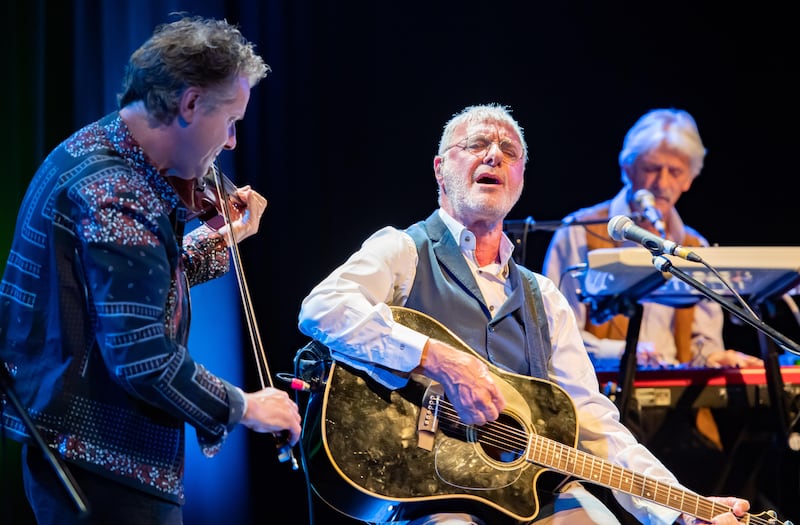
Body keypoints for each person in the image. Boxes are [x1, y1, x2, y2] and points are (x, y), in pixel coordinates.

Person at [297, 104, 751, 524]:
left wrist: (682, 508)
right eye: (476, 145)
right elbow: (324, 307)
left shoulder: (544, 296)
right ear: (440, 169)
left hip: (531, 492)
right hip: (426, 495)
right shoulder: (402, 249)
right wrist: (437, 358)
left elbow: (593, 422)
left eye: (508, 151)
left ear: (520, 178)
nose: (493, 155)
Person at [0, 16, 301, 525]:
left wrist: (218, 243)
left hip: (89, 454)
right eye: (230, 121)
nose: (230, 142)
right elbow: (141, 356)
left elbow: (136, 288)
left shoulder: (103, 150)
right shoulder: (117, 191)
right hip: (103, 465)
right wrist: (247, 406)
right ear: (188, 104)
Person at [543, 108, 762, 373]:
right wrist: (623, 352)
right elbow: (554, 334)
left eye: (676, 172)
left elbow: (703, 343)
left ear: (689, 180)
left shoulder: (694, 247)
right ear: (627, 169)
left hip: (678, 403)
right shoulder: (578, 232)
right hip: (601, 395)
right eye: (651, 169)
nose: (662, 183)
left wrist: (712, 357)